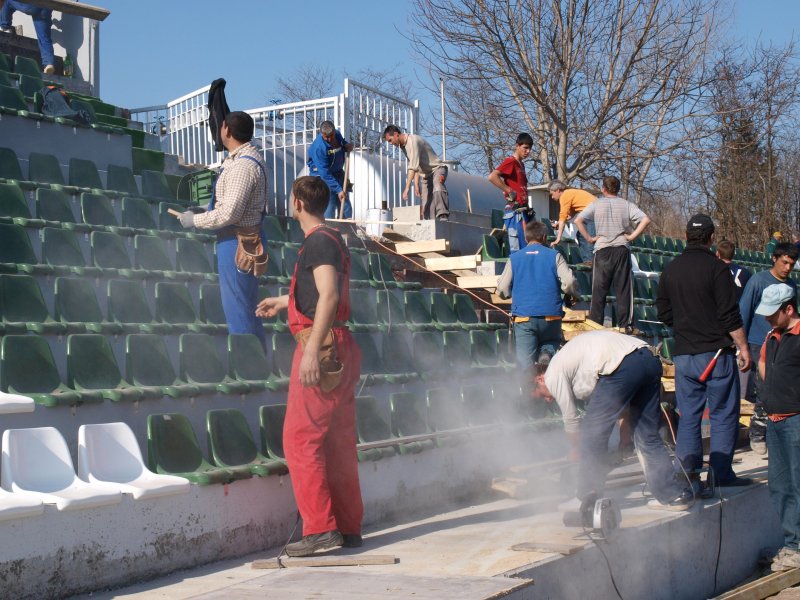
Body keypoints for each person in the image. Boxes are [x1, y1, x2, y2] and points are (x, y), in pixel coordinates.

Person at [255, 176, 363, 558]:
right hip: (341, 344)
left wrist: (313, 350)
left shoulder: (318, 240)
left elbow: (329, 296)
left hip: (323, 345)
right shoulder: (331, 239)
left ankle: (319, 530)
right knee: (336, 441)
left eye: (290, 196)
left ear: (298, 201)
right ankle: (348, 527)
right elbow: (319, 292)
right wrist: (283, 302)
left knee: (300, 439)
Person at [532, 330, 693, 510]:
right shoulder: (577, 366)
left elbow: (572, 421)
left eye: (541, 395)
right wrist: (625, 435)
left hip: (622, 365)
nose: (547, 400)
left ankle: (586, 499)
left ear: (539, 379)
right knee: (647, 435)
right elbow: (621, 399)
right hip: (648, 359)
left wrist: (577, 448)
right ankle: (672, 495)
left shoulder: (552, 374)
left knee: (592, 434)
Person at [656, 214, 752, 490]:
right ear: (711, 238)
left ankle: (686, 474)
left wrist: (686, 325)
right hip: (715, 354)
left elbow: (663, 311)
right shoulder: (717, 269)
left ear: (686, 236)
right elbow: (729, 314)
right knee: (723, 414)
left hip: (684, 355)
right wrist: (743, 347)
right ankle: (720, 474)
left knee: (689, 416)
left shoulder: (671, 268)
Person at [178, 111, 268, 347]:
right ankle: (257, 365)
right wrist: (204, 212)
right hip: (240, 238)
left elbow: (230, 214)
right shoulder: (242, 160)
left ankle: (249, 369)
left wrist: (195, 221)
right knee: (244, 307)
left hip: (237, 243)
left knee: (238, 309)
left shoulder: (242, 166)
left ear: (227, 130)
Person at [755, 284, 800, 572]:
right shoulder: (772, 337)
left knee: (798, 485)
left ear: (789, 309)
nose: (767, 319)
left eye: (773, 314)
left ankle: (797, 546)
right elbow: (763, 365)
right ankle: (792, 543)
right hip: (775, 421)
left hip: (796, 420)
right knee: (780, 486)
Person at [739, 242, 798, 455]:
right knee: (764, 388)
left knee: (779, 387)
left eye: (791, 264)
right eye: (784, 262)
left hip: (783, 343)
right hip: (757, 342)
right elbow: (743, 312)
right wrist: (742, 346)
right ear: (775, 259)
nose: (787, 268)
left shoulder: (791, 285)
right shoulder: (758, 280)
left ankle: (773, 431)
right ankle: (757, 432)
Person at [497, 220, 579, 369]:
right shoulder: (555, 255)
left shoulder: (515, 258)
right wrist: (573, 295)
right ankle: (546, 353)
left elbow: (502, 288)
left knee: (524, 365)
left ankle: (527, 387)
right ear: (544, 237)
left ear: (526, 238)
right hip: (551, 316)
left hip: (524, 317)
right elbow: (569, 281)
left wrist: (506, 296)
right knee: (551, 342)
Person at [574, 175, 651, 332]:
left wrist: (589, 238)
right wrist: (631, 236)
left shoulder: (596, 203)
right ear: (618, 189)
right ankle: (626, 325)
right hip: (621, 248)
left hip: (602, 249)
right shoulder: (626, 204)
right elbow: (645, 219)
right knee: (623, 289)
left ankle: (595, 324)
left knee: (598, 291)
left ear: (603, 188)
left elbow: (578, 220)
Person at [383, 125, 449, 221]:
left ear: (396, 134)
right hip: (426, 175)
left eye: (390, 140)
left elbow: (412, 167)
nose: (390, 143)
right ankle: (429, 223)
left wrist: (407, 188)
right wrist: (417, 184)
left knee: (437, 186)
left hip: (437, 169)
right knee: (426, 202)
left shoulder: (413, 141)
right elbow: (417, 164)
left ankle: (443, 215)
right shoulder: (403, 147)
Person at [488, 133, 533, 252]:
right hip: (514, 212)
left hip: (523, 211)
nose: (528, 151)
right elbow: (492, 176)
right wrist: (508, 190)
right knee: (518, 249)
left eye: (530, 148)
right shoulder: (511, 161)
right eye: (525, 148)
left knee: (527, 247)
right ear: (517, 146)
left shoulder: (521, 165)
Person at [307, 120, 354, 220]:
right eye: (326, 137)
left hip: (337, 173)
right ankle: (330, 229)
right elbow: (324, 173)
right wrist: (338, 190)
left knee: (345, 203)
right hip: (322, 176)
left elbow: (342, 143)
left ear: (334, 132)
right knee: (330, 204)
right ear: (321, 134)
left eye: (331, 136)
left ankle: (348, 230)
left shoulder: (337, 134)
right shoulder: (319, 148)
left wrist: (346, 146)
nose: (329, 139)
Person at [0, 0, 55, 74]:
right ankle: (49, 63)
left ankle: (4, 26)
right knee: (44, 37)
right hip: (47, 7)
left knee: (7, 1)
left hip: (34, 5)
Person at [548, 180, 597, 262]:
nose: (552, 197)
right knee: (581, 236)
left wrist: (558, 238)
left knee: (588, 239)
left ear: (558, 190)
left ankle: (590, 262)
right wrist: (559, 224)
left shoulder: (564, 196)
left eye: (552, 194)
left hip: (594, 215)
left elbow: (563, 216)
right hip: (594, 213)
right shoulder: (570, 193)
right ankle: (587, 260)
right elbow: (570, 215)